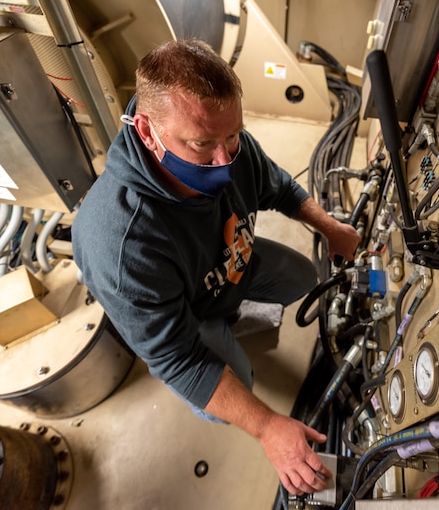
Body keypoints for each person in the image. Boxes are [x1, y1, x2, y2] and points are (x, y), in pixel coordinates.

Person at [72, 39, 361, 496]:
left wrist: (332, 229)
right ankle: (217, 326)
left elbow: (278, 188)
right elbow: (177, 358)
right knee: (236, 380)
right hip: (186, 311)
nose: (225, 160)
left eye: (233, 136)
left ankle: (228, 311)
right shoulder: (122, 243)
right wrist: (267, 427)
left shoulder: (227, 142)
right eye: (202, 144)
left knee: (303, 276)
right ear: (147, 132)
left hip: (225, 264)